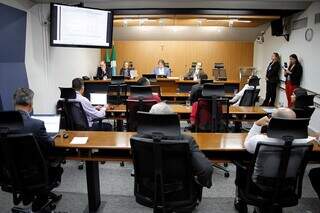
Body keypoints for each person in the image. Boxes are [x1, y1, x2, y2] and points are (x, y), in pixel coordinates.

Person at [234, 108, 312, 210]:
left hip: (260, 186)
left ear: (272, 122)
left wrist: (257, 125)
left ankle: (241, 202)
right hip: (288, 187)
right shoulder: (305, 142)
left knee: (241, 163)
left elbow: (246, 144)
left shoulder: (259, 140)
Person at [12, 88, 63, 210]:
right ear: (30, 105)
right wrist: (53, 139)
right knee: (56, 164)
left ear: (14, 104)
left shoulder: (4, 125)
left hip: (10, 175)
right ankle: (40, 201)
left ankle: (30, 195)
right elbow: (49, 148)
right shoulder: (36, 124)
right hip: (36, 175)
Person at [148, 102, 213, 188]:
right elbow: (206, 170)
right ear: (172, 119)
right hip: (180, 194)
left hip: (148, 191)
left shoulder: (138, 138)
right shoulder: (186, 140)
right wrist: (200, 183)